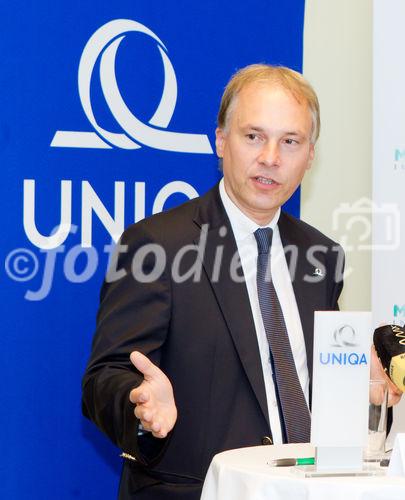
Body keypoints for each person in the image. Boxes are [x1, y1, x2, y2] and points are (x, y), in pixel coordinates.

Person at [82, 64, 401, 500]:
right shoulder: (156, 245)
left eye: (290, 142)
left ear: (310, 156)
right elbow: (104, 377)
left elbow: (311, 380)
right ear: (220, 140)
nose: (271, 157)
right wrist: (140, 407)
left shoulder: (322, 256)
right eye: (254, 136)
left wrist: (360, 391)